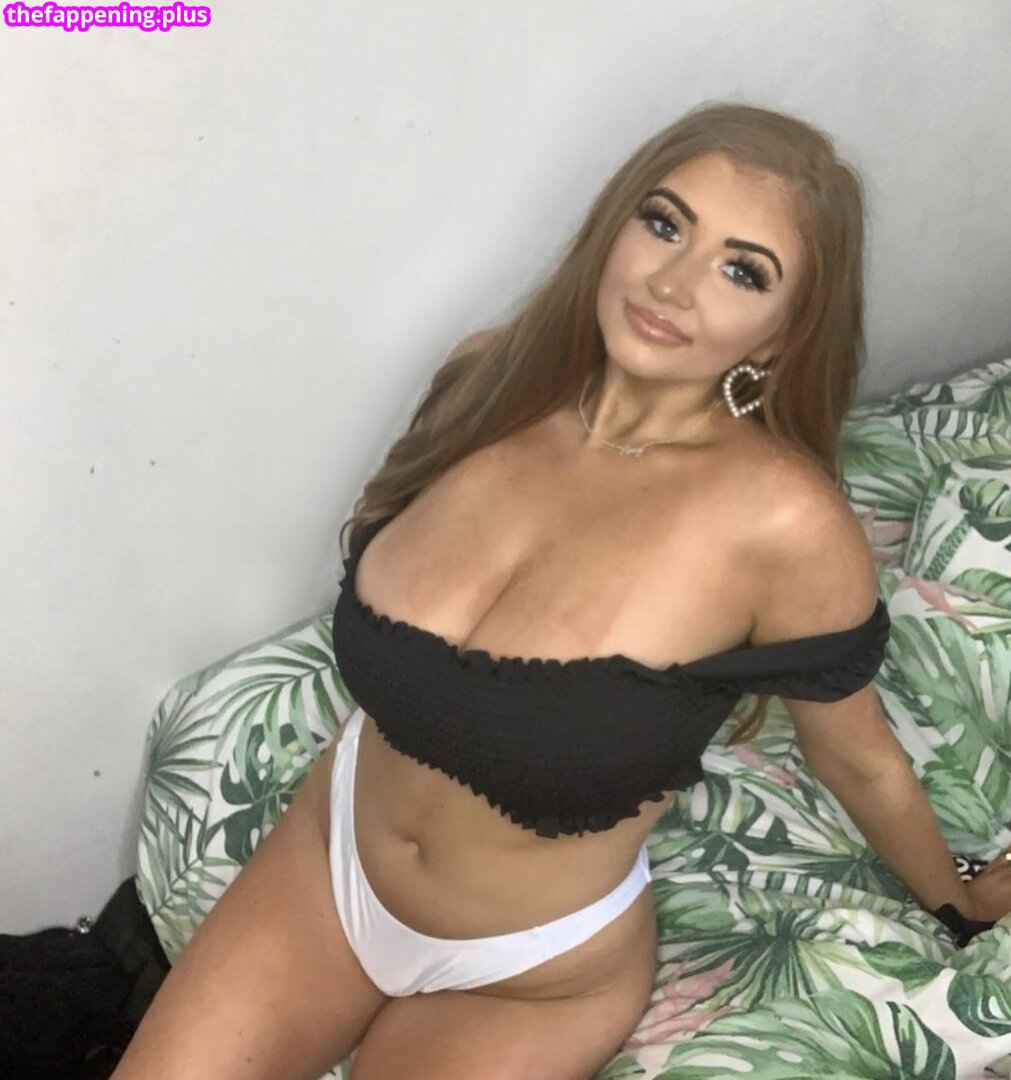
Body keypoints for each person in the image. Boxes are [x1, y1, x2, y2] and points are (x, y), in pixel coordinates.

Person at [112, 100, 1011, 1080]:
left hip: (526, 971)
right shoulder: (485, 384)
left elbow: (858, 758)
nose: (672, 282)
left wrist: (958, 899)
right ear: (614, 225)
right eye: (663, 223)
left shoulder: (784, 525)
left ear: (778, 338)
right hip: (325, 864)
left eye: (741, 270)